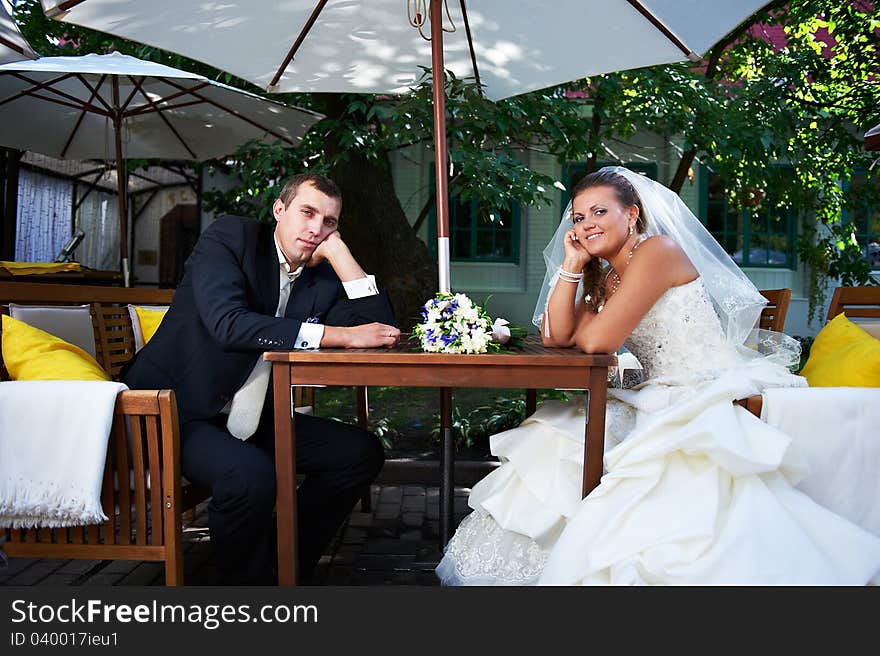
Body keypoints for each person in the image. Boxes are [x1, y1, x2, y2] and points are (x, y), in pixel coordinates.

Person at [436, 166, 880, 585]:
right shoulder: (608, 276)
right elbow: (557, 336)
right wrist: (572, 264)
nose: (586, 223)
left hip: (700, 388)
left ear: (632, 214)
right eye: (578, 216)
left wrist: (589, 319)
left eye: (599, 211)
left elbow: (596, 342)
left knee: (630, 457)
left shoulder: (657, 252)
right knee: (560, 432)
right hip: (655, 391)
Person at [123, 173, 401, 585]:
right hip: (173, 411)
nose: (316, 228)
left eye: (329, 222)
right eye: (307, 213)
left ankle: (282, 563)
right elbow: (228, 324)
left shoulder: (321, 278)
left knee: (359, 452)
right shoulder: (231, 238)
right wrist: (338, 335)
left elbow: (382, 332)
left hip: (248, 417)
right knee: (249, 477)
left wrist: (341, 254)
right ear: (279, 210)